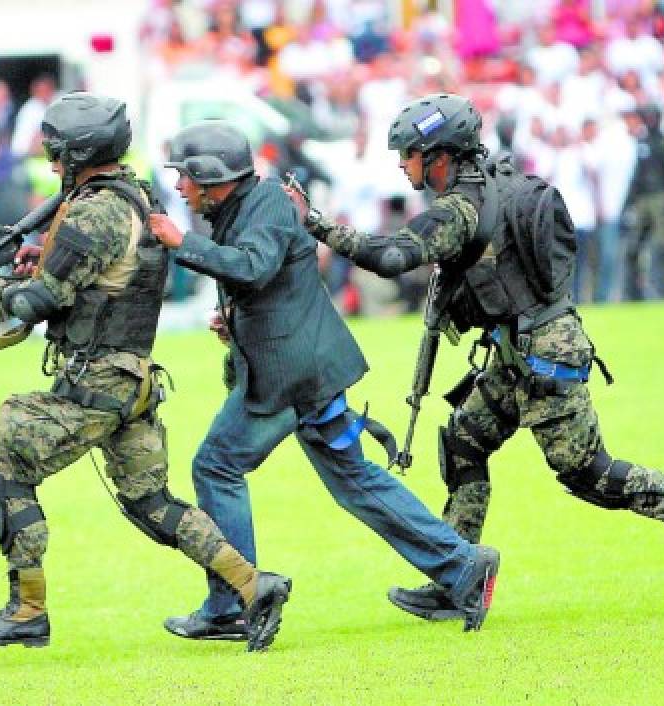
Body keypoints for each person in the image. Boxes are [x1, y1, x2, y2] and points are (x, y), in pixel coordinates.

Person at [287, 94, 664, 621]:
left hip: (543, 359)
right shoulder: (497, 182)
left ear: (440, 155)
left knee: (589, 474)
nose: (403, 163)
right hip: (521, 354)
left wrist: (315, 223)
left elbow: (393, 255)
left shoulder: (460, 209)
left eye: (410, 153)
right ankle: (457, 576)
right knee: (465, 443)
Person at [0, 93, 291, 652]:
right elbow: (99, 276)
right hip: (133, 383)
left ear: (78, 153)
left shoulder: (91, 209)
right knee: (152, 505)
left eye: (56, 152)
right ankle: (256, 587)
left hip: (98, 382)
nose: (52, 162)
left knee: (9, 463)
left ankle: (26, 610)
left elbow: (39, 303)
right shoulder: (133, 197)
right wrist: (45, 257)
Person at [146, 120, 500, 640]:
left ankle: (234, 601)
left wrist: (183, 244)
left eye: (184, 177)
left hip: (290, 374)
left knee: (217, 465)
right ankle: (463, 565)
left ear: (211, 178)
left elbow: (253, 266)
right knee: (355, 480)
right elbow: (272, 280)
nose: (178, 187)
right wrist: (237, 319)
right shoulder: (245, 205)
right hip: (303, 367)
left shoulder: (262, 202)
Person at [622, 103, 664, 300]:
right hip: (643, 200)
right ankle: (633, 293)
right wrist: (628, 202)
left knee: (662, 246)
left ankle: (661, 291)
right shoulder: (641, 142)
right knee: (633, 246)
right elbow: (637, 175)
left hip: (660, 198)